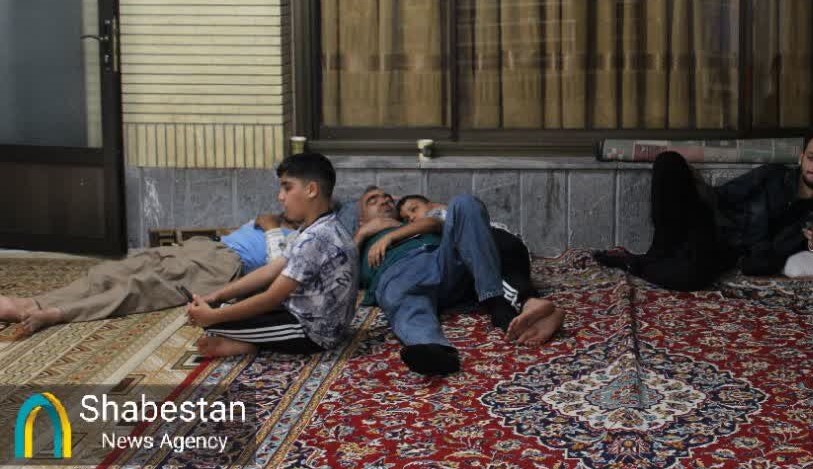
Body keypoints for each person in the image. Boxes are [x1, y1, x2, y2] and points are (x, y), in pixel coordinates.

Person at [354, 187, 564, 376]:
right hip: (398, 275)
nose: (383, 200)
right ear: (361, 218)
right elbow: (342, 274)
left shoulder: (414, 224)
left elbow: (436, 222)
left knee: (464, 202)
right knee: (406, 306)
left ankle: (500, 303)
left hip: (441, 260)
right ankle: (436, 351)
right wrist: (362, 234)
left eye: (386, 197)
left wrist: (391, 234)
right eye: (373, 200)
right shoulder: (357, 242)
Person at [594, 130, 813, 287]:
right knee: (669, 162)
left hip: (729, 250)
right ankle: (656, 253)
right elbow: (724, 195)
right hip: (714, 221)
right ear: (801, 158)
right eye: (811, 158)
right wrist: (693, 183)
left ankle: (637, 264)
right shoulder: (774, 174)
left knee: (693, 278)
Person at [0, 208, 297, 340]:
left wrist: (272, 229)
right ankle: (32, 303)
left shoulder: (303, 237)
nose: (282, 198)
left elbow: (277, 270)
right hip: (205, 248)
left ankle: (55, 313)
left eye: (288, 190)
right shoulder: (275, 219)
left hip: (223, 267)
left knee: (138, 287)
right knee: (111, 271)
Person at [185, 152, 358, 358]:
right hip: (302, 313)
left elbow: (272, 297)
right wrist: (217, 296)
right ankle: (246, 338)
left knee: (213, 321)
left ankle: (249, 345)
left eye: (287, 187)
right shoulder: (320, 226)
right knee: (222, 308)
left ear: (311, 190)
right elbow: (271, 269)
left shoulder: (316, 239)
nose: (280, 196)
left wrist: (213, 317)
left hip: (312, 332)